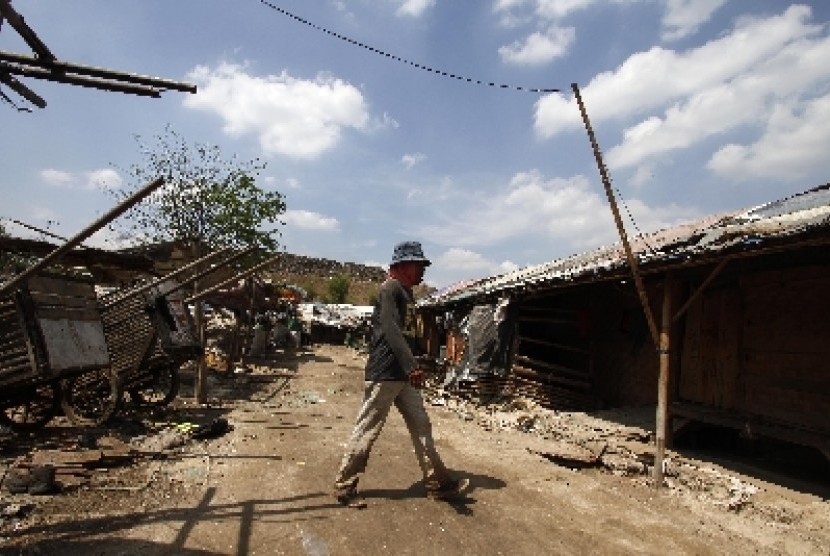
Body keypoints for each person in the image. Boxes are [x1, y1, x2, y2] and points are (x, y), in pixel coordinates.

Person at [333, 241, 465, 508]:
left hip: (403, 375)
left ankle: (437, 483)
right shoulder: (390, 289)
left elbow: (407, 335)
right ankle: (345, 486)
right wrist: (411, 366)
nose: (423, 272)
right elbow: (391, 330)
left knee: (422, 426)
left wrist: (417, 361)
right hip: (386, 372)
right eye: (419, 265)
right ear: (402, 266)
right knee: (367, 428)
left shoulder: (407, 293)